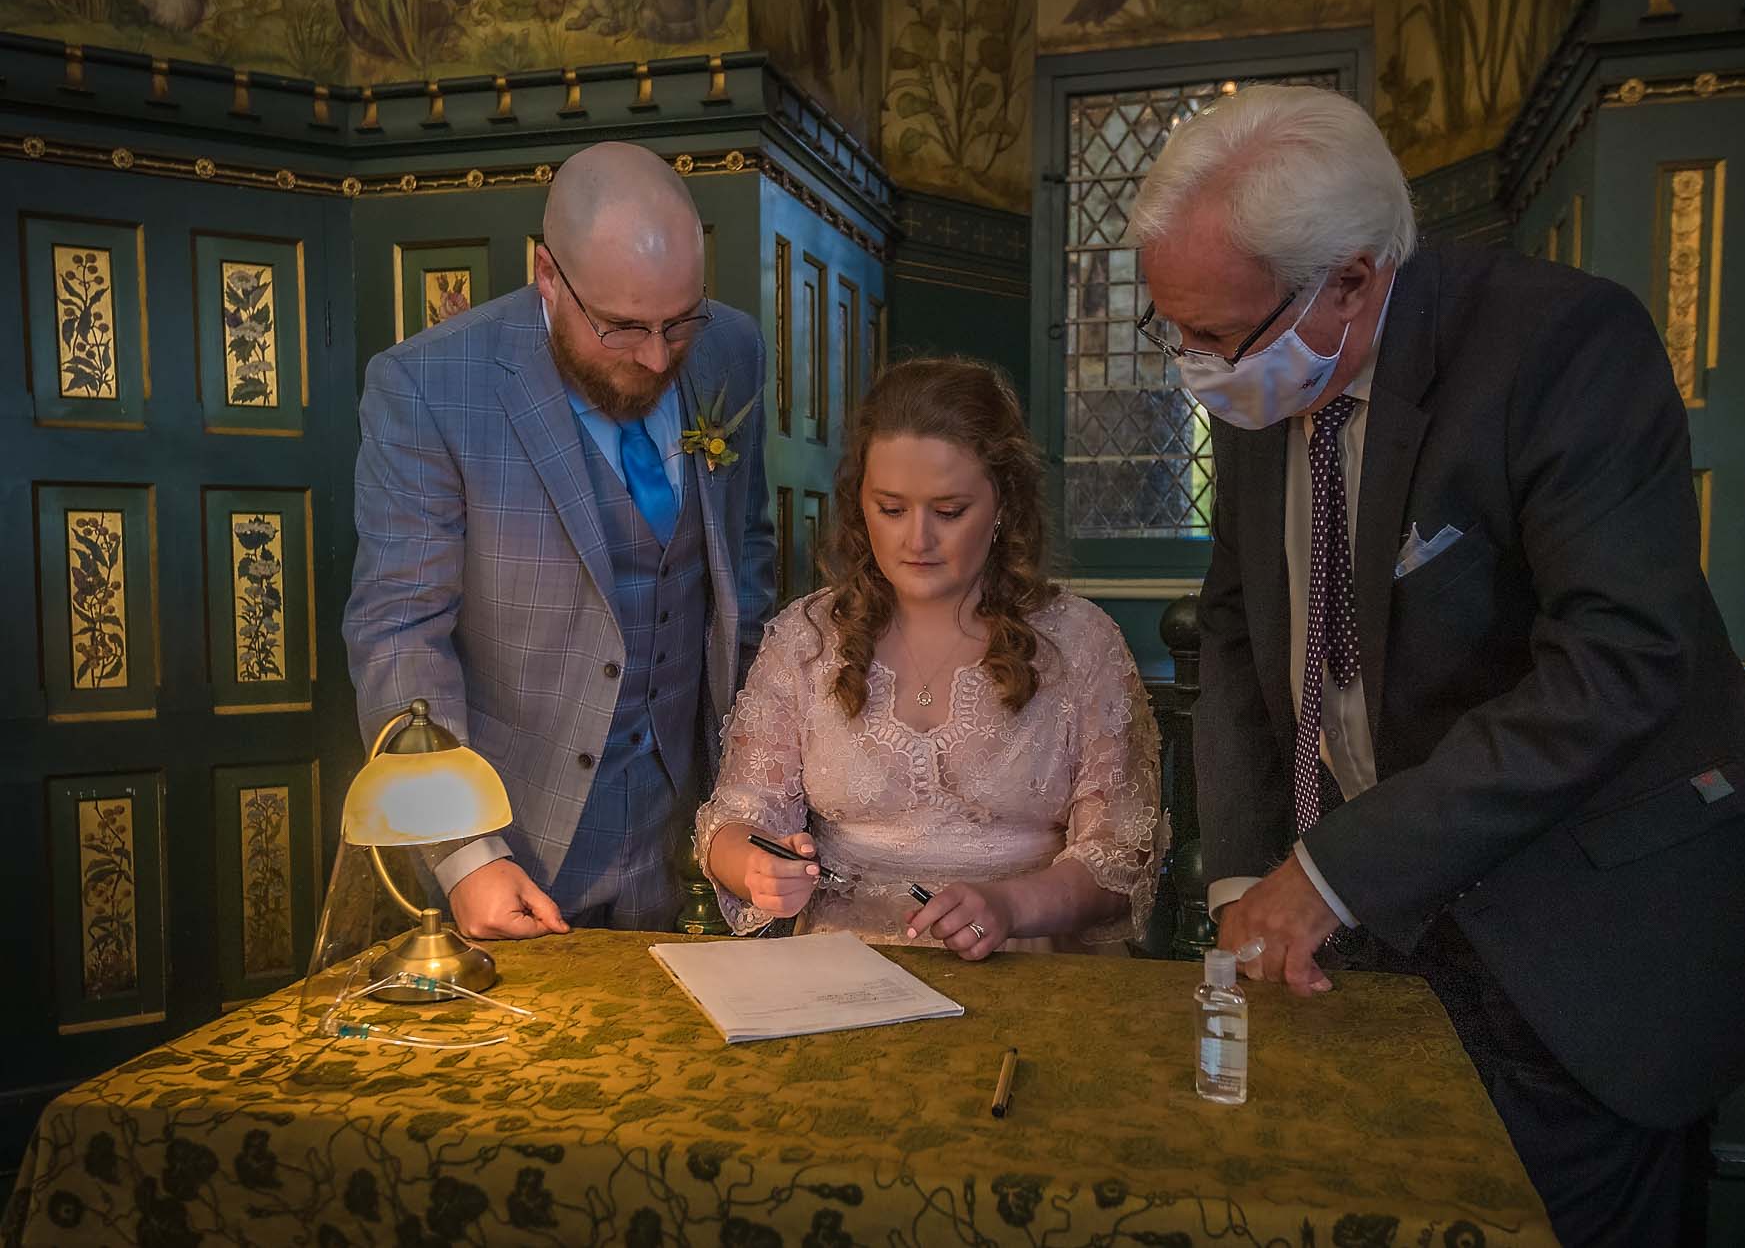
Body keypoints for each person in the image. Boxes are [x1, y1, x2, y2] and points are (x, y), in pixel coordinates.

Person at [1128, 85, 1745, 1245]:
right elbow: (1233, 629)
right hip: (1363, 937)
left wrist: (1331, 868)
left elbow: (1617, 665)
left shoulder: (1559, 346)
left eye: (1221, 336)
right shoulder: (1265, 383)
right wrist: (1242, 871)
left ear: (1353, 279)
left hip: (1575, 945)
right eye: (1171, 331)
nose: (1199, 369)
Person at [343, 141, 776, 939]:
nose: (655, 356)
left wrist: (755, 788)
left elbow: (746, 566)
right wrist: (465, 857)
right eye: (622, 328)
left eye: (677, 324)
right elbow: (400, 635)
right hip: (519, 856)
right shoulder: (431, 388)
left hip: (694, 855)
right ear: (549, 277)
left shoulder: (732, 351)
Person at [696, 357, 1165, 956]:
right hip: (844, 978)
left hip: (1035, 973)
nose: (916, 540)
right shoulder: (806, 638)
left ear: (1003, 506)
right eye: (891, 510)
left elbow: (1121, 860)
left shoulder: (1079, 644)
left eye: (948, 512)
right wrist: (757, 869)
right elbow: (734, 820)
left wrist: (1011, 905)